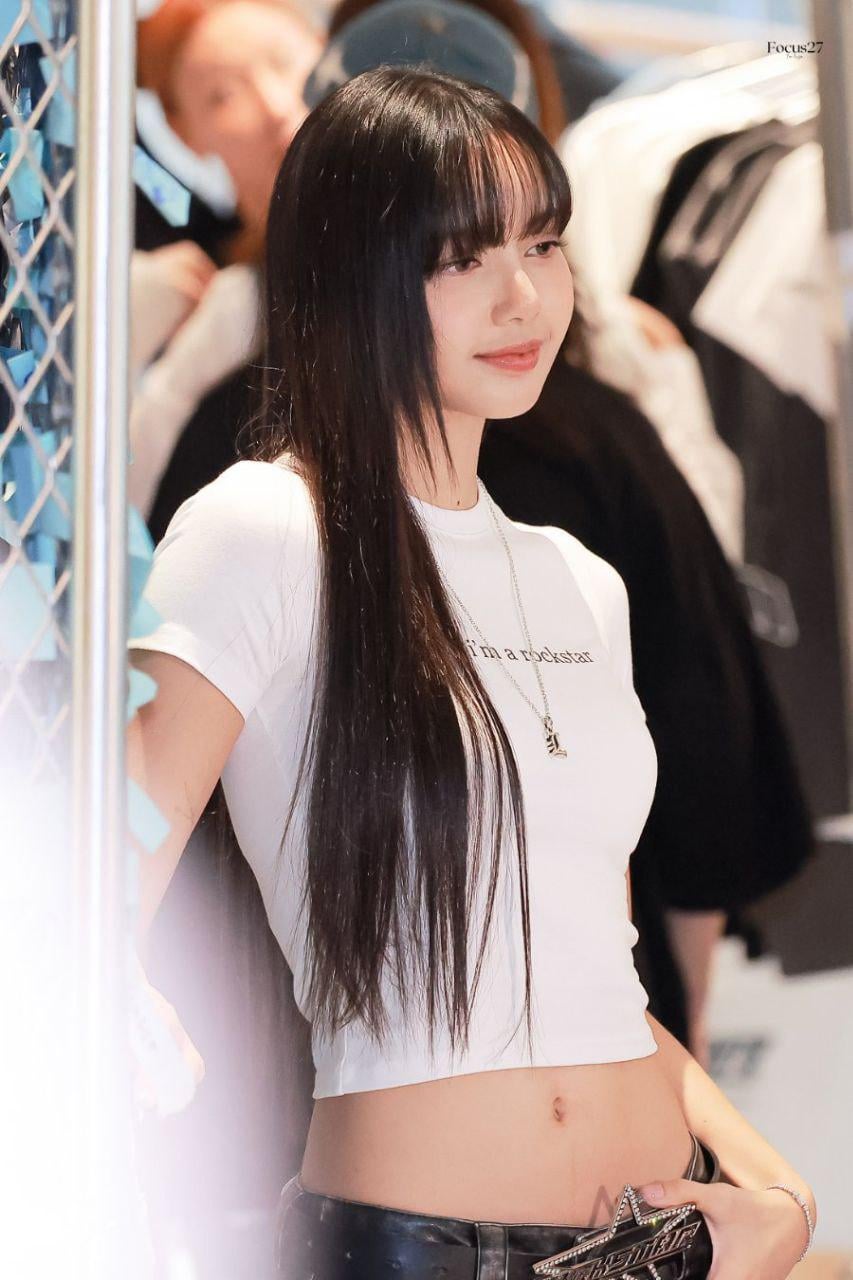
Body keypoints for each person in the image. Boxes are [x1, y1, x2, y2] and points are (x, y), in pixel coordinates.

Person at [129, 65, 816, 1279]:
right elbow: (100, 870)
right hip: (411, 1245)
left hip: (655, 1239)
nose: (522, 296)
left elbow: (601, 977)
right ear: (351, 272)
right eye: (460, 259)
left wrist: (780, 1190)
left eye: (542, 244)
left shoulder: (579, 580)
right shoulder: (263, 529)